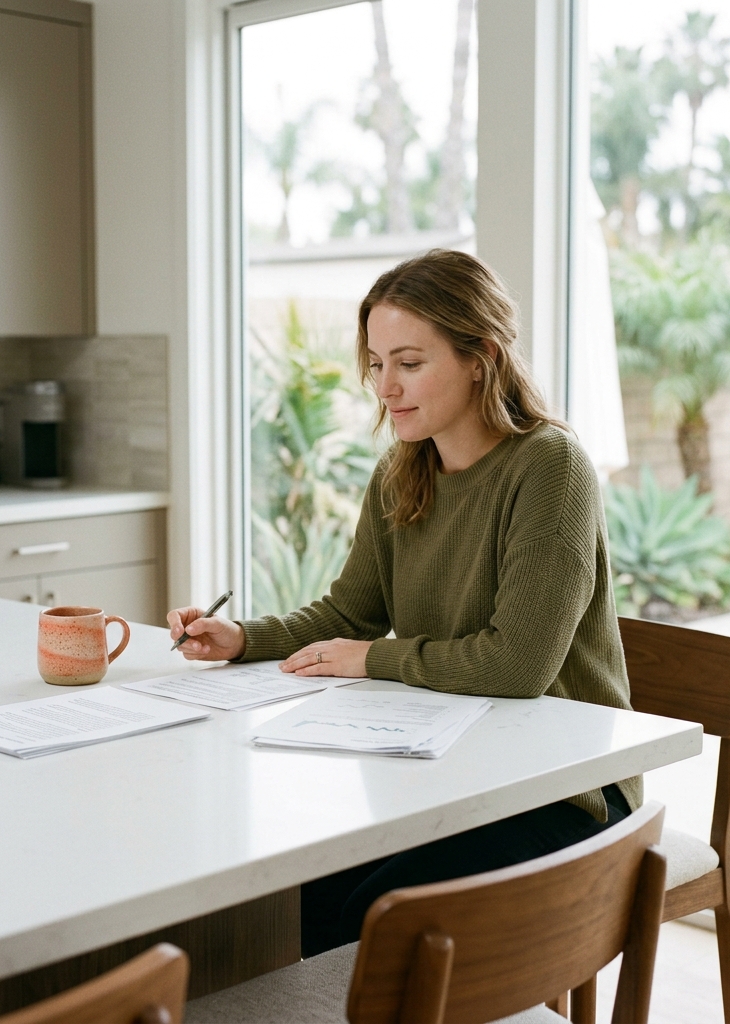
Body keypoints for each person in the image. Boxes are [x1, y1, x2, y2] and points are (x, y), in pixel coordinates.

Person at [167, 248, 641, 957]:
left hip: (565, 793)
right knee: (303, 888)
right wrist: (242, 638)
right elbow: (348, 616)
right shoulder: (402, 471)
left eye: (410, 363)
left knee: (373, 913)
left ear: (480, 355)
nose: (385, 387)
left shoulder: (550, 468)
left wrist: (373, 660)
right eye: (377, 363)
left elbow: (517, 667)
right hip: (449, 773)